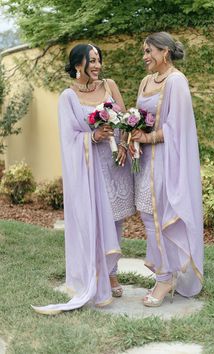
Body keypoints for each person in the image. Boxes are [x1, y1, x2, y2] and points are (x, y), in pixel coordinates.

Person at [32, 43, 135, 314]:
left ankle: (112, 271)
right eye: (92, 60)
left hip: (115, 164)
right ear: (78, 65)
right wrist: (92, 136)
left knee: (116, 217)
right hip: (90, 168)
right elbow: (68, 138)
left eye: (99, 59)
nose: (98, 65)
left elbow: (124, 120)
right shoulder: (68, 97)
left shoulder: (109, 85)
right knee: (95, 219)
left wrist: (123, 145)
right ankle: (97, 273)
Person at [129, 32, 203, 307]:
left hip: (166, 161)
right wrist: (132, 133)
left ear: (165, 53)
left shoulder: (176, 81)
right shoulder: (147, 81)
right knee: (149, 217)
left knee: (162, 218)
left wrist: (148, 137)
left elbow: (177, 127)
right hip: (144, 161)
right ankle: (163, 272)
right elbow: (139, 118)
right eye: (144, 51)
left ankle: (165, 279)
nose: (145, 56)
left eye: (149, 51)